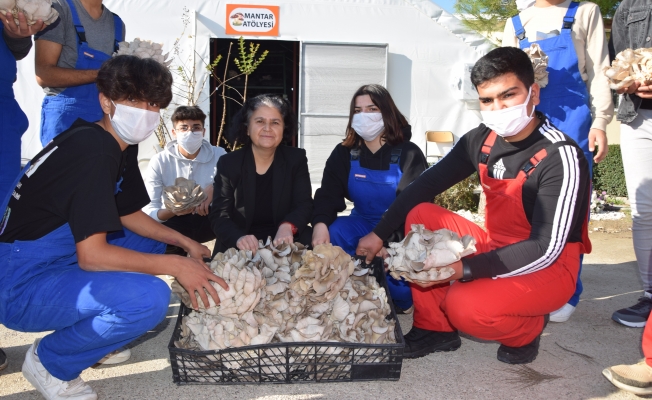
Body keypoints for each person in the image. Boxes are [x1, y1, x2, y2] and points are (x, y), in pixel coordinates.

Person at [0, 55, 227, 400]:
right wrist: (177, 264)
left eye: (153, 103)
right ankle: (51, 362)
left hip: (53, 257)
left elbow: (126, 213)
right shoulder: (93, 152)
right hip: (20, 283)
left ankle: (92, 335)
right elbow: (92, 256)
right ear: (106, 101)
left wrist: (183, 242)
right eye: (133, 100)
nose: (145, 111)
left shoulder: (111, 142)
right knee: (148, 299)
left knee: (151, 245)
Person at [356, 47, 591, 364]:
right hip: (495, 245)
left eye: (508, 95)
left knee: (464, 306)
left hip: (549, 265)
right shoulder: (481, 139)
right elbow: (425, 185)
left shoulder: (561, 157)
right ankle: (434, 329)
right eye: (487, 100)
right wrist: (380, 234)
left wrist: (460, 269)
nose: (498, 108)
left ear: (533, 93)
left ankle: (528, 328)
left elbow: (545, 247)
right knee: (420, 214)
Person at [502, 0, 613, 322]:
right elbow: (503, 80)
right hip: (527, 122)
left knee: (570, 207)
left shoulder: (584, 12)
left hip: (573, 120)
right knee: (521, 203)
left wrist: (601, 122)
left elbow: (599, 70)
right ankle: (526, 280)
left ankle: (567, 289)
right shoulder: (516, 23)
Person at [311, 84, 427, 314]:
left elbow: (415, 206)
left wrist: (385, 239)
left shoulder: (409, 153)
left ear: (387, 112)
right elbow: (328, 193)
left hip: (402, 231)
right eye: (358, 110)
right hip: (362, 221)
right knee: (334, 232)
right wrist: (319, 224)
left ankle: (391, 292)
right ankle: (348, 284)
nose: (364, 116)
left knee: (401, 292)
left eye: (372, 109)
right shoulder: (345, 152)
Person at [209, 94, 312, 255]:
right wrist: (238, 238)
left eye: (275, 122)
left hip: (285, 240)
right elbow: (219, 216)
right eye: (260, 121)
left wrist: (288, 226)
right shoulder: (228, 163)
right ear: (247, 128)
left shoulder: (296, 159)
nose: (267, 128)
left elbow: (304, 204)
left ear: (284, 128)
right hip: (241, 242)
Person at [608, 0, 652, 328]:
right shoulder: (630, 5)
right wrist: (625, 82)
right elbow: (616, 64)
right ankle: (651, 298)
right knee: (644, 210)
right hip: (639, 117)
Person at [35, 0, 124, 145]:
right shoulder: (57, 10)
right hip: (65, 122)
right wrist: (102, 74)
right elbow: (43, 74)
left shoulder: (117, 23)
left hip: (105, 121)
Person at [143, 106, 226, 256]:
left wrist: (215, 187)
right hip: (173, 222)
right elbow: (149, 210)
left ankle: (222, 261)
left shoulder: (219, 155)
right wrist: (172, 211)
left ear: (203, 132)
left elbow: (236, 185)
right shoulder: (159, 161)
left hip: (210, 219)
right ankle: (174, 262)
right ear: (174, 132)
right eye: (184, 128)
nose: (190, 133)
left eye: (196, 128)